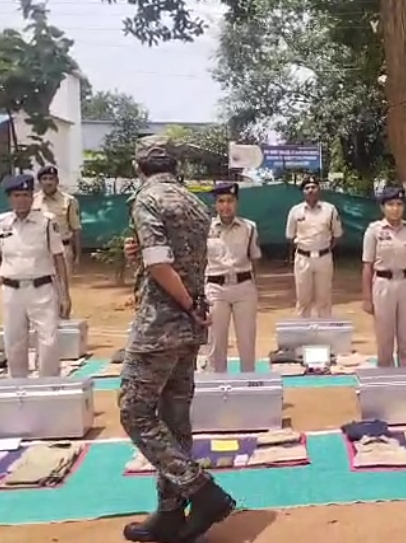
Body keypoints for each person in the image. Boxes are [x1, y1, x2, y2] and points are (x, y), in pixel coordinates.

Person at [119, 136, 235, 542]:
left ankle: (202, 492)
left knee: (134, 411)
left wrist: (185, 303)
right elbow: (180, 257)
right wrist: (193, 307)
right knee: (175, 418)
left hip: (161, 324)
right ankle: (170, 513)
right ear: (174, 165)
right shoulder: (194, 202)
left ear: (139, 167)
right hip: (189, 325)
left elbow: (159, 264)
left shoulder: (147, 199)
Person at [0, 174, 71, 378]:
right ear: (9, 198)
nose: (22, 200)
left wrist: (65, 294)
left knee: (49, 340)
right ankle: (18, 384)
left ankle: (48, 384)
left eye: (26, 195)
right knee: (14, 340)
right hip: (11, 290)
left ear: (32, 197)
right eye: (17, 195)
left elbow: (58, 258)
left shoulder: (46, 222)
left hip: (42, 288)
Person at [362, 186, 406, 367]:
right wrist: (367, 298)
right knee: (385, 336)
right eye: (390, 204)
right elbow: (367, 266)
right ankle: (385, 375)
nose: (395, 208)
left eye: (399, 204)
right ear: (382, 207)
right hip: (383, 284)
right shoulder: (374, 230)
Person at [205, 181, 261, 373]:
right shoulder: (205, 229)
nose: (226, 206)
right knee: (216, 340)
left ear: (236, 203)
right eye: (221, 201)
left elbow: (254, 258)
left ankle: (248, 381)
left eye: (230, 201)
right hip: (215, 288)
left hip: (243, 287)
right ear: (215, 204)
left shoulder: (249, 227)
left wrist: (252, 285)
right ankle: (218, 382)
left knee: (247, 339)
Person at [285, 177, 343, 317]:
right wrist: (304, 248)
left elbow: (337, 235)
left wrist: (323, 248)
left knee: (324, 298)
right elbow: (290, 236)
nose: (310, 190)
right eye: (307, 188)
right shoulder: (295, 211)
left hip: (324, 258)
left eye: (313, 187)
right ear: (303, 192)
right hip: (303, 259)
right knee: (303, 298)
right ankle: (303, 328)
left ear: (319, 189)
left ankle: (325, 327)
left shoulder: (330, 210)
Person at [33, 165, 82, 276]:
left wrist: (77, 256)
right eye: (44, 179)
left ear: (57, 181)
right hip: (39, 251)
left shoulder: (69, 201)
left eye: (51, 179)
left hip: (63, 249)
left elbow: (76, 229)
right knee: (40, 284)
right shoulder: (33, 201)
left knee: (62, 284)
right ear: (39, 182)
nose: (48, 182)